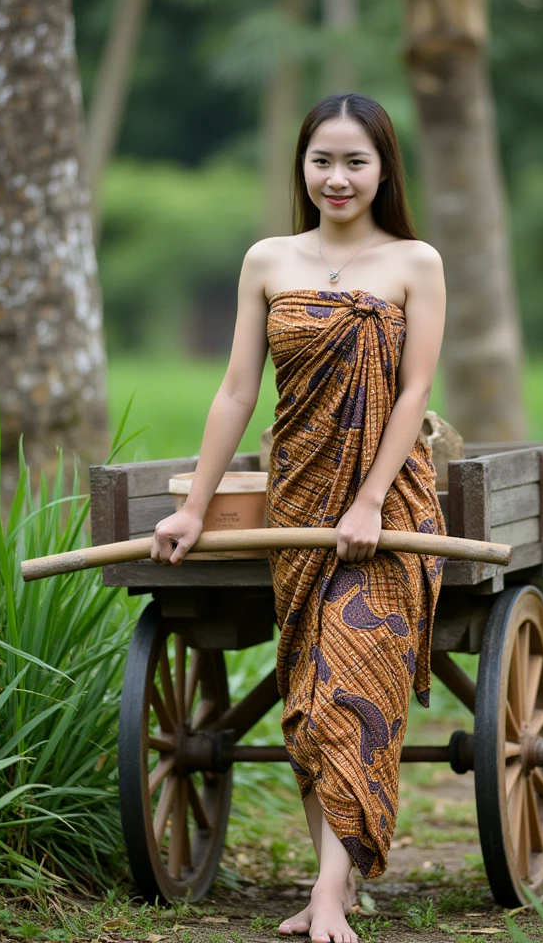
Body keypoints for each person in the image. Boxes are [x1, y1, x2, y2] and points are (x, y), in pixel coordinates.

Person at [151, 92, 447, 943]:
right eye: (323, 160)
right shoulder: (267, 261)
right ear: (302, 167)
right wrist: (196, 508)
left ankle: (328, 893)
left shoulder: (414, 262)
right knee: (312, 702)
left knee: (357, 687)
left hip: (390, 510)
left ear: (385, 169)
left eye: (356, 161)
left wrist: (368, 502)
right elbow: (238, 392)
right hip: (298, 503)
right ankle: (337, 887)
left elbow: (416, 391)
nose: (338, 177)